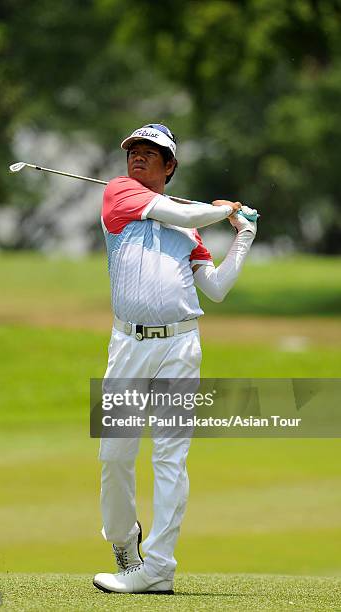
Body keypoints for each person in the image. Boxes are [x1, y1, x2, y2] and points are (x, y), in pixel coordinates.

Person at [93, 124, 257, 594]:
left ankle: (159, 568)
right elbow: (171, 210)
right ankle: (125, 545)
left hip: (180, 347)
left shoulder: (187, 227)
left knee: (170, 457)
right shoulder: (119, 193)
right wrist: (221, 209)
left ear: (170, 167)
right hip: (127, 346)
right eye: (134, 151)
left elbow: (217, 288)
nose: (139, 158)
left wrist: (241, 235)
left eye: (152, 153)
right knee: (115, 454)